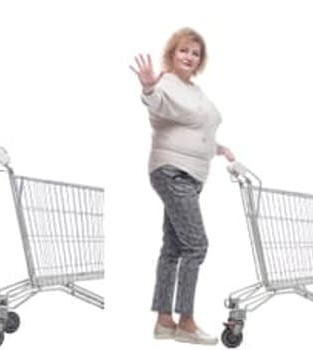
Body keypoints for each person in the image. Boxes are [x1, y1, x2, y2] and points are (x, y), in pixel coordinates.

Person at [129, 27, 232, 346]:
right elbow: (156, 103)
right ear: (172, 54)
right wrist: (148, 87)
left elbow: (194, 128)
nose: (189, 57)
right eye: (183, 51)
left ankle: (163, 321)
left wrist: (218, 148)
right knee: (197, 245)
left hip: (192, 173)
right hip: (172, 171)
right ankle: (186, 321)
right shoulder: (165, 84)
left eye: (195, 53)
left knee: (174, 247)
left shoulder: (195, 91)